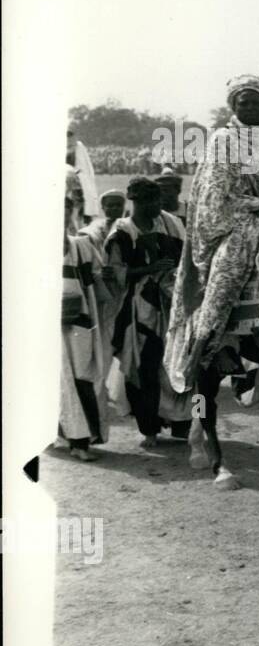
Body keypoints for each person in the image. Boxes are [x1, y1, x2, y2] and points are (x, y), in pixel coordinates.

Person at [163, 74, 259, 395]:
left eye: (255, 102)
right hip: (241, 219)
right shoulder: (224, 140)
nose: (249, 108)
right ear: (233, 106)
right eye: (243, 103)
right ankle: (209, 343)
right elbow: (215, 196)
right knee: (228, 268)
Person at [105, 177, 191, 446]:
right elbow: (112, 273)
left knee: (183, 367)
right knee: (144, 370)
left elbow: (188, 257)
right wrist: (148, 270)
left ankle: (184, 426)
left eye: (159, 200)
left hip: (174, 307)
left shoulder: (171, 223)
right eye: (153, 202)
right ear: (137, 202)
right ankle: (149, 429)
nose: (159, 205)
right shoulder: (121, 232)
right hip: (138, 312)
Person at [58, 177, 112, 461]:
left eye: (64, 213)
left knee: (82, 377)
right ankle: (69, 438)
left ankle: (82, 440)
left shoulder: (81, 246)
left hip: (78, 322)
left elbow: (98, 287)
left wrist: (111, 311)